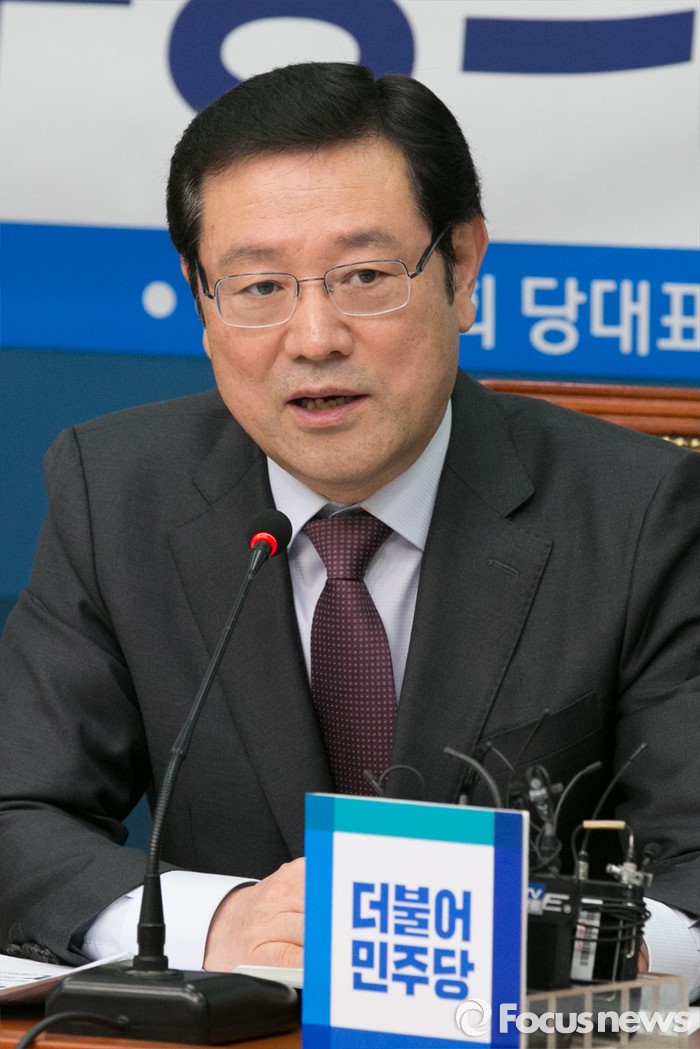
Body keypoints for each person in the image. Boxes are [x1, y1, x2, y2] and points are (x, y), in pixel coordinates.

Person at [1, 62, 699, 998]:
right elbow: (16, 811)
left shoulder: (639, 512)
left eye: (365, 276)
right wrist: (219, 922)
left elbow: (696, 859)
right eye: (258, 286)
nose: (314, 336)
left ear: (463, 269)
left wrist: (528, 949)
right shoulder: (118, 490)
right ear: (200, 300)